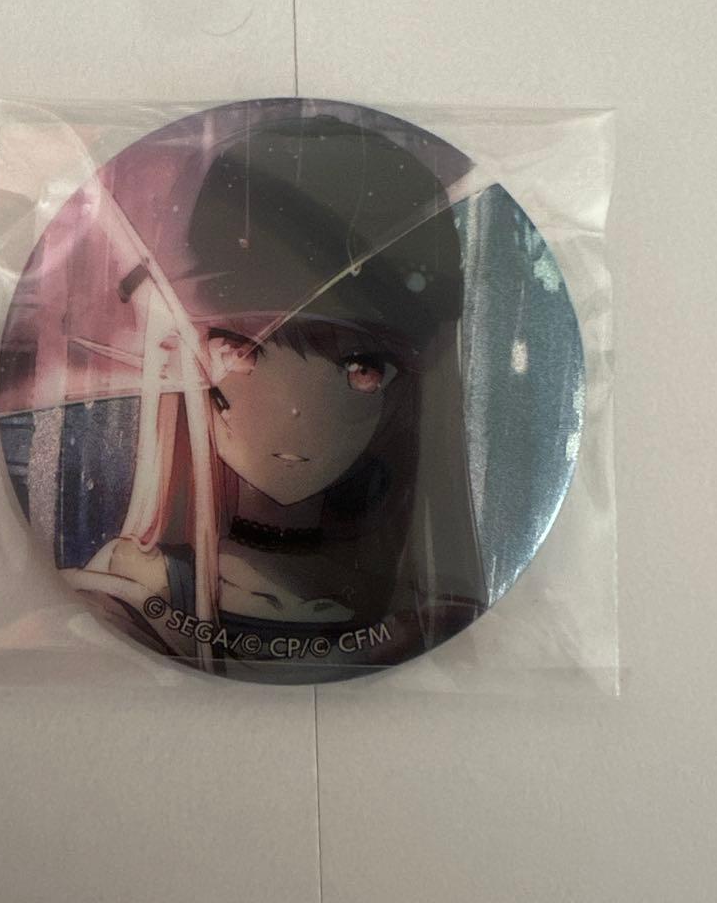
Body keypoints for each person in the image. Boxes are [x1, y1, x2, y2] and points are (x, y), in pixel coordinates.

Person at [57, 106, 487, 681]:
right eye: (243, 351)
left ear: (409, 389)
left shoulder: (423, 618)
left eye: (360, 368)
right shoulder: (138, 587)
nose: (296, 410)